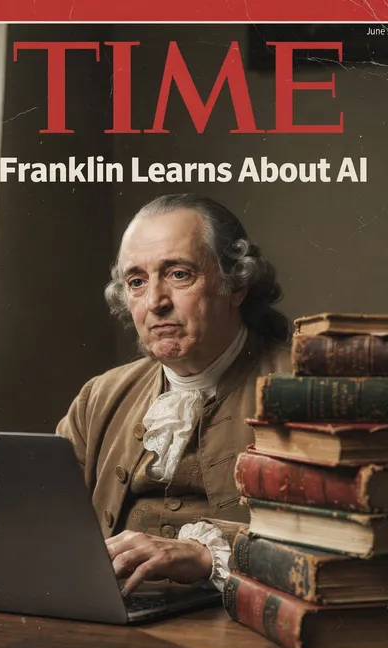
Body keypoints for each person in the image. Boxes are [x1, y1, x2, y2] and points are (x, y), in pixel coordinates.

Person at [57, 194, 291, 595]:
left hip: (249, 625)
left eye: (179, 274)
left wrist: (206, 555)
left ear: (236, 284)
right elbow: (45, 521)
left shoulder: (308, 388)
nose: (155, 302)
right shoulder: (99, 397)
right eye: (136, 282)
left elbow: (352, 542)